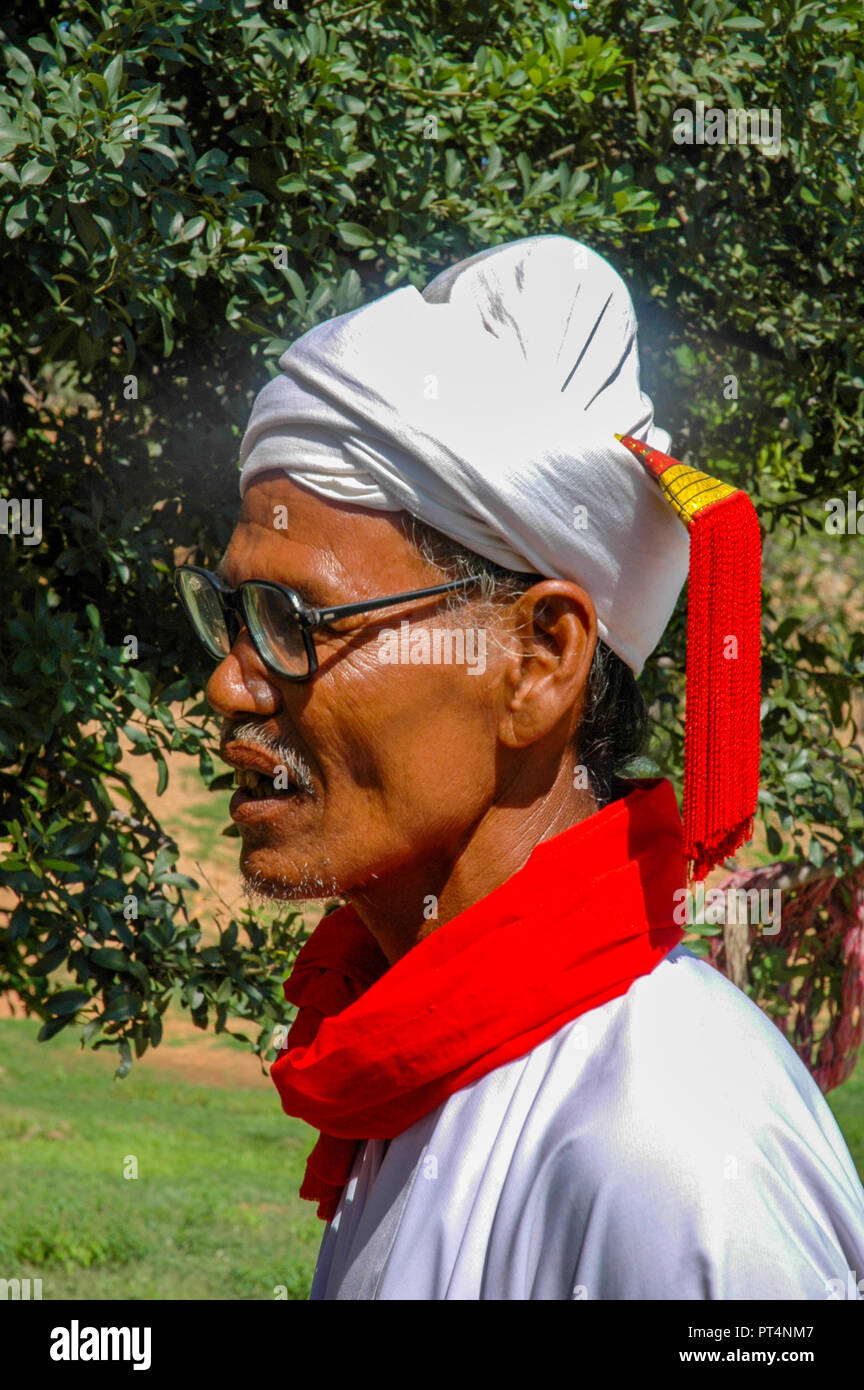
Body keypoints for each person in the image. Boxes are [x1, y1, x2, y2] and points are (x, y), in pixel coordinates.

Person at [175, 235, 864, 1299]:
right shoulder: (433, 1063)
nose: (232, 685)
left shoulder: (670, 1150)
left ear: (539, 660)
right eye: (233, 614)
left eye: (296, 621)